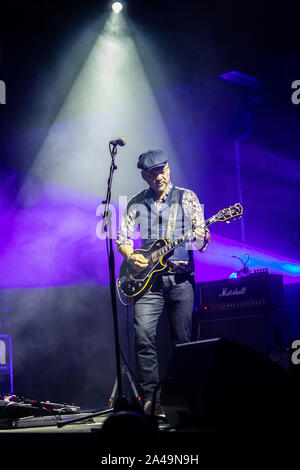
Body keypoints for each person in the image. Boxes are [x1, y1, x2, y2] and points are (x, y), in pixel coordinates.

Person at [116, 150, 210, 416]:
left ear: (169, 168)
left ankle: (184, 399)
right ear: (144, 176)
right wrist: (130, 256)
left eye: (163, 169)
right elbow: (122, 238)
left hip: (180, 279)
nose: (160, 175)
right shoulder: (135, 202)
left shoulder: (187, 197)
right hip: (147, 283)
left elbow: (200, 242)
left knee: (182, 341)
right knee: (143, 336)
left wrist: (202, 236)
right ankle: (150, 399)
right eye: (153, 172)